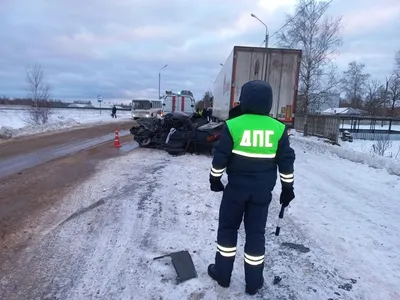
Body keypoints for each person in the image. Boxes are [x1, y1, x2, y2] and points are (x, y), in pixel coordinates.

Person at [207, 80, 296, 295]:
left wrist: (215, 179)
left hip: (235, 191)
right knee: (256, 235)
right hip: (261, 193)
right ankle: (253, 283)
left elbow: (221, 157)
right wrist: (287, 188)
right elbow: (286, 161)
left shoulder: (233, 125)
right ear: (269, 102)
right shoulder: (278, 128)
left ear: (244, 99)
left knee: (228, 231)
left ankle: (223, 275)